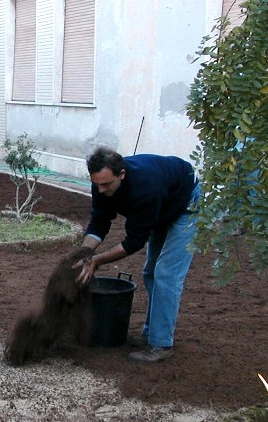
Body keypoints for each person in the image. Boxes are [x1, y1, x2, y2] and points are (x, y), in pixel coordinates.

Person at [74, 147, 200, 363]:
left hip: (185, 204)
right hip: (161, 207)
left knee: (166, 274)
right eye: (97, 184)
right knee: (150, 272)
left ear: (121, 174)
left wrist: (97, 261)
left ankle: (161, 344)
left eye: (106, 184)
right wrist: (85, 253)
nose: (101, 190)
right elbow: (99, 222)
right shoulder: (101, 184)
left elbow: (134, 242)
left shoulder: (145, 188)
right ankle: (151, 332)